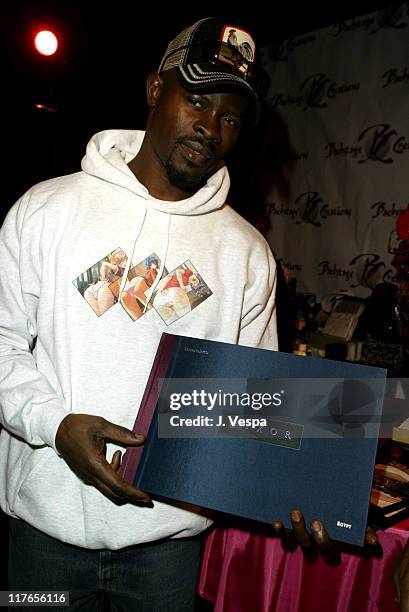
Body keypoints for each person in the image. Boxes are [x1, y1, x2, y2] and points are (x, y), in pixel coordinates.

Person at [0, 16, 374, 612]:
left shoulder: (248, 252)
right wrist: (54, 424)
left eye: (231, 117)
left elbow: (258, 396)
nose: (211, 126)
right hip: (43, 534)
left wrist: (300, 484)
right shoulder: (44, 209)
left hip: (168, 549)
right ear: (155, 89)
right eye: (196, 99)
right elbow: (3, 345)